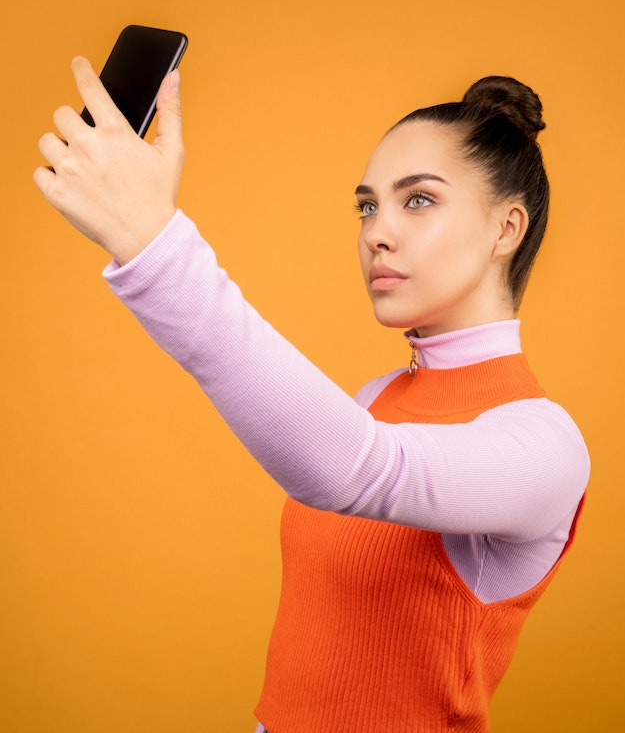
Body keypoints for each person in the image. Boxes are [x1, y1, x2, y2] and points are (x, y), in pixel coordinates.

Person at [35, 58, 590, 733]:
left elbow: (355, 468)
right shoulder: (379, 394)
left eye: (418, 198)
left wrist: (154, 244)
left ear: (507, 228)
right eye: (368, 204)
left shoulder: (545, 442)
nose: (377, 232)